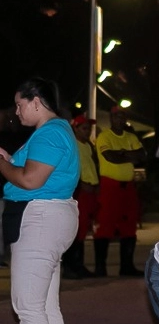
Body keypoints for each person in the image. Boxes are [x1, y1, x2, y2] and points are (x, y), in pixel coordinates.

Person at [0, 77, 80, 324]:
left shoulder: (51, 132)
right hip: (48, 217)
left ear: (36, 101)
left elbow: (31, 180)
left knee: (28, 307)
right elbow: (33, 172)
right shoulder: (55, 131)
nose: (17, 111)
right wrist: (12, 162)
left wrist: (2, 166)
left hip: (40, 218)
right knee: (45, 306)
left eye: (19, 104)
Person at [94, 105, 146, 277]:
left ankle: (127, 266)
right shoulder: (104, 136)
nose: (120, 119)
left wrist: (122, 154)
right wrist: (128, 154)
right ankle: (100, 267)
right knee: (106, 223)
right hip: (110, 186)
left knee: (129, 224)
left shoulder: (130, 136)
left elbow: (141, 155)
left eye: (122, 116)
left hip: (128, 186)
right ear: (111, 118)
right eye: (116, 116)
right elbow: (110, 157)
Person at [62, 114, 99, 279]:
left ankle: (79, 265)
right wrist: (80, 183)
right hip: (80, 190)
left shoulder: (88, 145)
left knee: (83, 229)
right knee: (76, 229)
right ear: (75, 128)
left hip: (90, 189)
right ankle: (70, 266)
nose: (88, 131)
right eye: (84, 128)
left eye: (89, 128)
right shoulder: (72, 145)